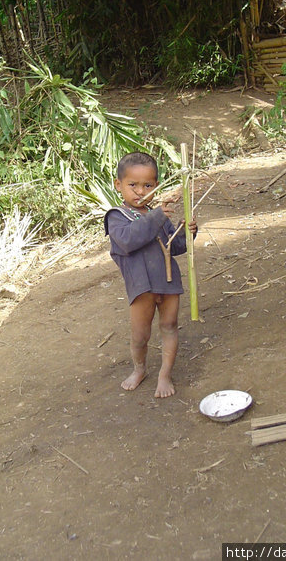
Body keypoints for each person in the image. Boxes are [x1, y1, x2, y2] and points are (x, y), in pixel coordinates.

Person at [104, 152, 197, 398]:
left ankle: (164, 375)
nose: (139, 191)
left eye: (147, 185)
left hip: (168, 284)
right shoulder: (116, 217)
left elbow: (175, 247)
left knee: (169, 326)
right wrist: (157, 216)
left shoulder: (159, 215)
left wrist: (186, 232)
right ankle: (140, 369)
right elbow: (128, 240)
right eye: (132, 185)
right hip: (142, 289)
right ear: (118, 185)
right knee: (140, 336)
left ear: (156, 186)